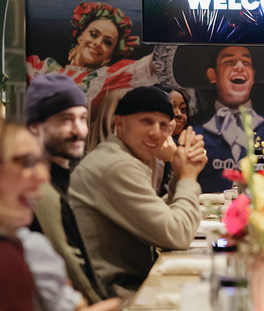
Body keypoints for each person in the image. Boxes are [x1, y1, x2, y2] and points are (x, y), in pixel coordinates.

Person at [0, 119, 120, 311]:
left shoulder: (19, 242)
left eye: (40, 162)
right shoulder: (6, 255)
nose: (42, 177)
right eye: (25, 163)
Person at [69, 86, 206, 299]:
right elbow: (177, 235)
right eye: (146, 122)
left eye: (163, 125)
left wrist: (180, 174)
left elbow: (163, 221)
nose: (156, 133)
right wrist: (188, 177)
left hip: (129, 284)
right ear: (119, 123)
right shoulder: (117, 166)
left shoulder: (124, 157)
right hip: (115, 296)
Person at [24, 74, 103, 302]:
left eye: (82, 119)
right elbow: (70, 268)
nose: (79, 131)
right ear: (35, 127)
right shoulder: (39, 188)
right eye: (66, 120)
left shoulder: (63, 179)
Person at [173, 45, 264, 193]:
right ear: (212, 75)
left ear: (253, 74)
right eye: (229, 61)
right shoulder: (192, 133)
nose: (239, 67)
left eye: (246, 62)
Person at [26, 1, 156, 107]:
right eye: (93, 34)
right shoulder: (41, 67)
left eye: (107, 42)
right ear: (80, 36)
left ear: (111, 53)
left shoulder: (107, 79)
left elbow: (155, 65)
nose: (98, 43)